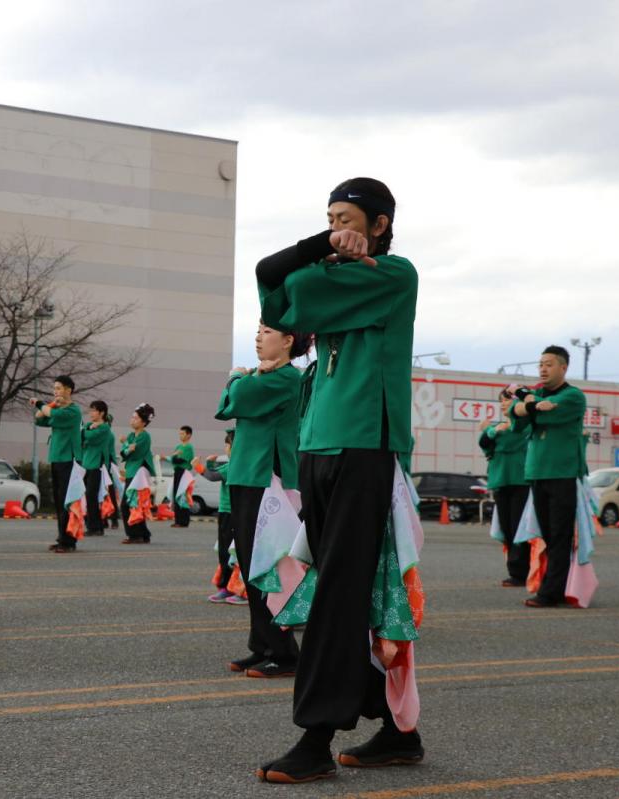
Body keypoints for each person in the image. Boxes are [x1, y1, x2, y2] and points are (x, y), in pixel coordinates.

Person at [254, 178, 422, 783]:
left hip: (363, 446)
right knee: (343, 590)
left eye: (346, 218)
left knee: (340, 596)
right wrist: (321, 245)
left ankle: (315, 738)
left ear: (379, 225)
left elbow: (293, 293)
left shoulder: (394, 275)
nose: (335, 228)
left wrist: (319, 262)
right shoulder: (331, 267)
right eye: (328, 218)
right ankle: (399, 731)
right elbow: (273, 284)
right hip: (319, 445)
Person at [215, 324, 306, 678]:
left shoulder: (287, 378)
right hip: (247, 475)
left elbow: (236, 399)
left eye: (266, 332)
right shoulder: (262, 376)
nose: (257, 337)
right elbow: (227, 406)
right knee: (251, 565)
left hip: (267, 479)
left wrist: (237, 376)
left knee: (268, 567)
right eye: (257, 331)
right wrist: (246, 377)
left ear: (287, 341)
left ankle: (285, 653)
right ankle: (263, 645)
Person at [511, 346, 589, 608]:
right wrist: (529, 404)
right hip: (537, 472)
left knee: (559, 535)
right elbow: (516, 418)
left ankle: (551, 592)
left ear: (563, 367)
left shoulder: (573, 396)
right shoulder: (538, 395)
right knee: (547, 534)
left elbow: (544, 415)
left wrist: (526, 405)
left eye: (549, 364)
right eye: (540, 364)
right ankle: (556, 586)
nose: (543, 369)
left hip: (562, 473)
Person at [479, 387, 532, 586]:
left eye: (507, 400)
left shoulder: (525, 426)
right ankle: (515, 571)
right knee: (507, 528)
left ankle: (521, 572)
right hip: (500, 481)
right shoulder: (498, 428)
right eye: (501, 401)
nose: (503, 405)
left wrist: (489, 430)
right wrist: (491, 431)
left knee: (519, 528)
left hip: (520, 481)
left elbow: (510, 440)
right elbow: (483, 443)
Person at [32, 375, 83, 552]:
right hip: (58, 459)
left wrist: (40, 403)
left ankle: (68, 541)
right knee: (59, 501)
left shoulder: (73, 411)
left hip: (69, 460)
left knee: (67, 501)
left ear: (69, 390)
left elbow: (50, 413)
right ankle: (63, 537)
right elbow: (39, 418)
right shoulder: (59, 409)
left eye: (59, 388)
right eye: (54, 388)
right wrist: (52, 403)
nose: (55, 391)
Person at [196, 429, 246, 604]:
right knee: (229, 552)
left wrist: (199, 466)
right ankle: (229, 587)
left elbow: (213, 476)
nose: (225, 448)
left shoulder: (235, 464)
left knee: (228, 552)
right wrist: (209, 464)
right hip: (231, 512)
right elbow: (216, 471)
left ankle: (230, 588)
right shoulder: (235, 463)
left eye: (227, 444)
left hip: (230, 513)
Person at [120, 404, 156, 544]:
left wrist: (126, 445)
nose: (132, 420)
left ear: (143, 422)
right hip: (132, 471)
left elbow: (134, 453)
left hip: (138, 473)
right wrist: (127, 446)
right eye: (132, 417)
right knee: (134, 504)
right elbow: (124, 453)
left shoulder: (144, 436)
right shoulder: (131, 435)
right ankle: (143, 534)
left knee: (128, 504)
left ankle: (135, 535)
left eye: (135, 418)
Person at [80, 400, 115, 537]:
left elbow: (90, 437)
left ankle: (95, 527)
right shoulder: (89, 425)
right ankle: (94, 525)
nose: (91, 413)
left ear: (102, 413)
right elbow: (81, 438)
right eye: (91, 410)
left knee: (92, 496)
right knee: (88, 497)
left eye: (94, 410)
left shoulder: (105, 428)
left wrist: (87, 431)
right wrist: (87, 430)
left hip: (96, 466)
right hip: (86, 465)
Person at [170, 426, 195, 527]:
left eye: (183, 434)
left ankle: (184, 521)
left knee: (182, 496)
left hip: (184, 472)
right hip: (177, 472)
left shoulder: (189, 447)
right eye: (180, 434)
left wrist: (175, 456)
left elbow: (181, 460)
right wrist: (175, 456)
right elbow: (173, 460)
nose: (180, 436)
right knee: (176, 494)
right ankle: (177, 520)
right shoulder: (178, 446)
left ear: (189, 435)